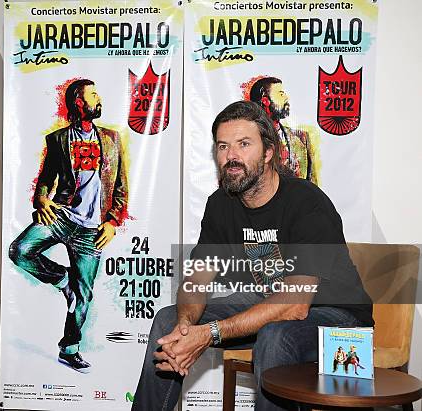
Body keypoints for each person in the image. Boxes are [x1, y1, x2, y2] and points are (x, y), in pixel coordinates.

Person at [132, 101, 373, 411]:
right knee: (167, 318)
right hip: (272, 310)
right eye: (223, 146)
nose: (231, 156)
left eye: (243, 144)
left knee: (276, 336)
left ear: (268, 152)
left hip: (340, 321)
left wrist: (210, 333)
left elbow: (295, 306)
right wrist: (185, 327)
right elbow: (196, 280)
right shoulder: (221, 204)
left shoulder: (307, 203)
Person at [9, 79, 128, 373]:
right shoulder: (59, 139)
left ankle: (69, 348)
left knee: (84, 295)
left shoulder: (112, 139)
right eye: (93, 95)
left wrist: (112, 222)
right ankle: (64, 281)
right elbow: (47, 178)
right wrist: (41, 199)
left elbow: (121, 187)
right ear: (78, 102)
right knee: (20, 250)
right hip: (62, 216)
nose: (99, 99)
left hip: (92, 230)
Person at [248, 77, 319, 184]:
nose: (287, 97)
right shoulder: (244, 140)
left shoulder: (301, 138)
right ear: (265, 100)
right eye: (281, 94)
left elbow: (312, 184)